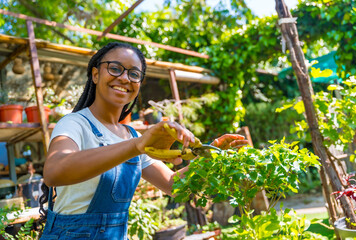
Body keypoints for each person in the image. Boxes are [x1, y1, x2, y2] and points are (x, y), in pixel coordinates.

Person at [39, 42, 247, 239]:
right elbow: (54, 171)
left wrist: (210, 155)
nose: (124, 78)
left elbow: (174, 186)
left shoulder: (131, 135)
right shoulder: (75, 124)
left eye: (134, 74)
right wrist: (136, 146)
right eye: (115, 68)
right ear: (95, 74)